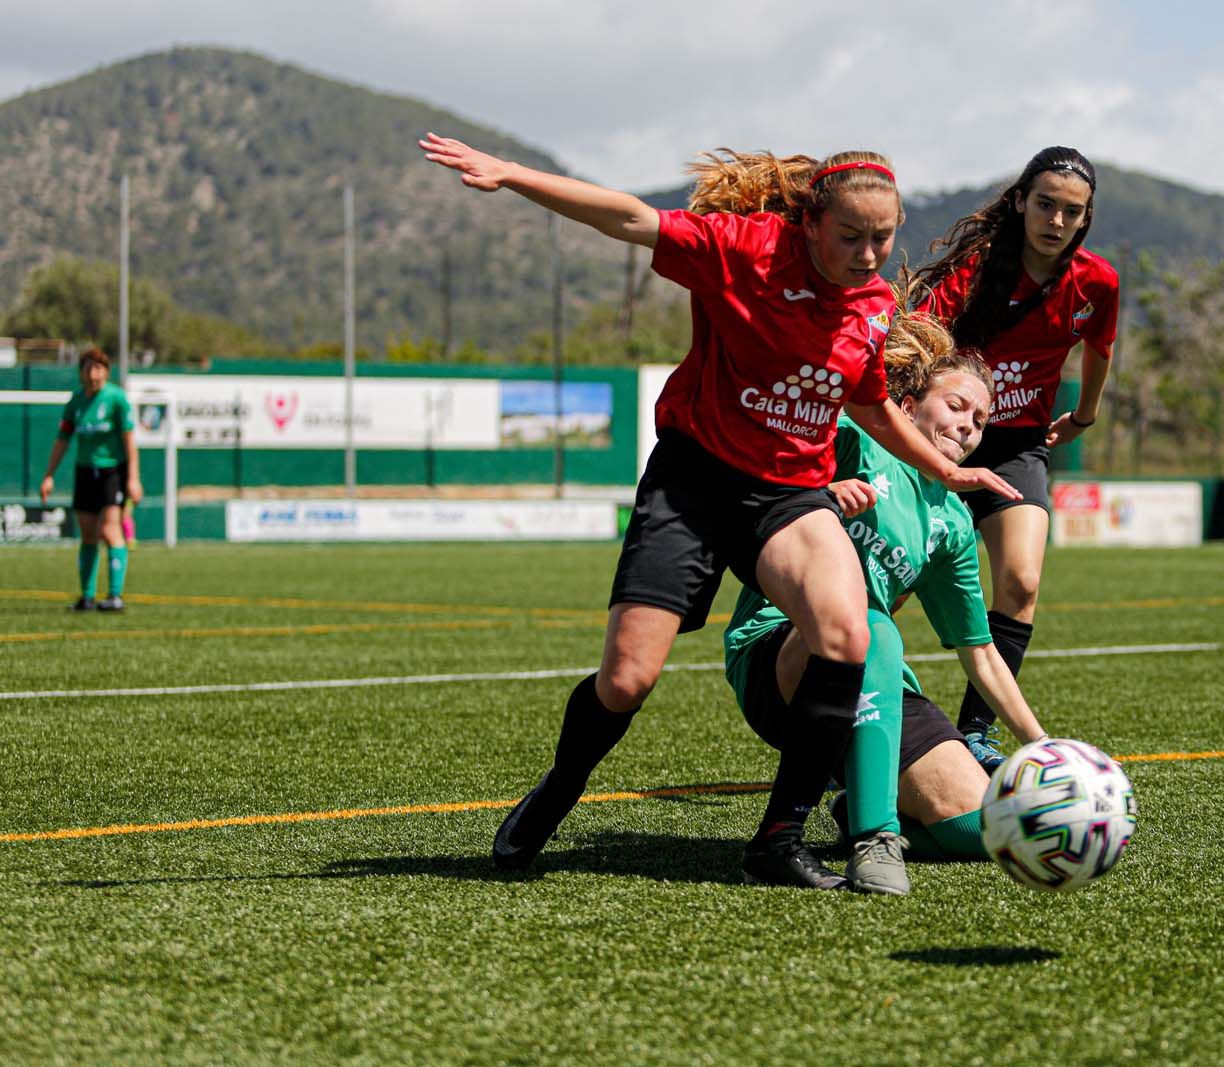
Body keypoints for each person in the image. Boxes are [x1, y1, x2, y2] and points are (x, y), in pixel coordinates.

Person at [418, 134, 1020, 891]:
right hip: (697, 477)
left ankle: (779, 837)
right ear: (809, 224)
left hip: (787, 491)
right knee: (627, 679)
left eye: (883, 237)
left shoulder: (871, 306)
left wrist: (942, 466)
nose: (870, 255)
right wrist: (513, 177)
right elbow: (632, 219)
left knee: (849, 631)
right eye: (851, 236)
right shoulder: (743, 249)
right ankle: (559, 788)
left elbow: (867, 401)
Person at [724, 311, 1049, 893]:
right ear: (907, 403)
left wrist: (1043, 746)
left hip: (877, 680)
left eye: (980, 420)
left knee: (983, 828)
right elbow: (763, 492)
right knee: (869, 623)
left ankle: (858, 805)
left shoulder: (950, 521)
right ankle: (875, 838)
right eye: (955, 406)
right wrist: (818, 495)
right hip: (782, 661)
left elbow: (981, 654)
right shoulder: (853, 440)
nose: (968, 426)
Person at [907, 147, 1117, 769]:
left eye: (1070, 211)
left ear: (1084, 220)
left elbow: (1100, 347)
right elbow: (911, 350)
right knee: (884, 588)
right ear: (1022, 201)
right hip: (942, 441)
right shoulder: (972, 273)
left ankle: (976, 732)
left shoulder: (1097, 280)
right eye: (1046, 203)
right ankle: (863, 721)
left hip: (1017, 447)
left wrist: (1085, 414)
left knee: (1021, 581)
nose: (1055, 219)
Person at [38, 347, 142, 612]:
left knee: (110, 530)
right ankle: (87, 597)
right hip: (84, 472)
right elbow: (62, 439)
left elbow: (129, 442)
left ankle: (115, 596)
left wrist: (133, 479)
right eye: (88, 369)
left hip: (111, 472)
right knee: (87, 535)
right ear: (81, 372)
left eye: (98, 368)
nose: (93, 374)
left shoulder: (117, 399)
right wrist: (49, 475)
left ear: (106, 371)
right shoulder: (76, 401)